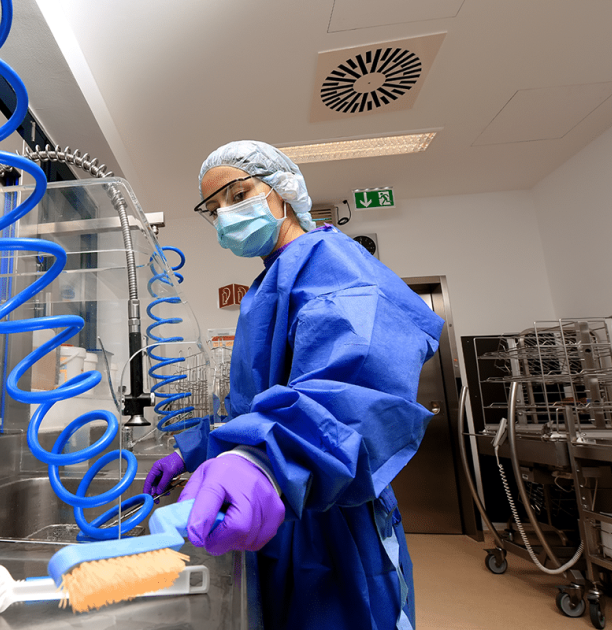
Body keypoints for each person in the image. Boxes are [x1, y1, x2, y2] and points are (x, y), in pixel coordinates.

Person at [143, 140, 445, 629]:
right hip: (285, 511)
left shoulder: (329, 260)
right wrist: (194, 450)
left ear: (282, 192)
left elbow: (354, 383)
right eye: (213, 208)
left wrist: (261, 458)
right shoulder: (268, 285)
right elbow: (254, 403)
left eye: (237, 194)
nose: (224, 214)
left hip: (333, 514)